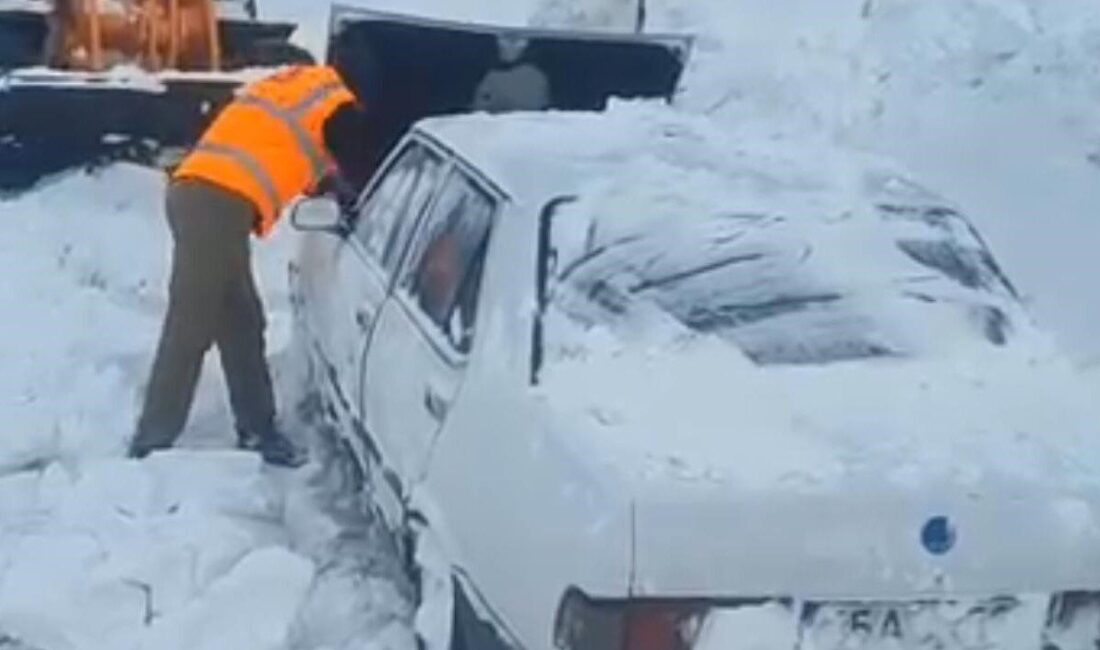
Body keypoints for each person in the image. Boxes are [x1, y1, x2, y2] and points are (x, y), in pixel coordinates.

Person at [127, 46, 375, 467]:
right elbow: (359, 163)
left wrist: (326, 184)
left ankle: (258, 428)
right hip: (218, 202)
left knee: (242, 320)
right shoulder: (338, 106)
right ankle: (152, 440)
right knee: (191, 322)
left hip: (199, 191)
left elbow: (282, 147)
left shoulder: (298, 86)